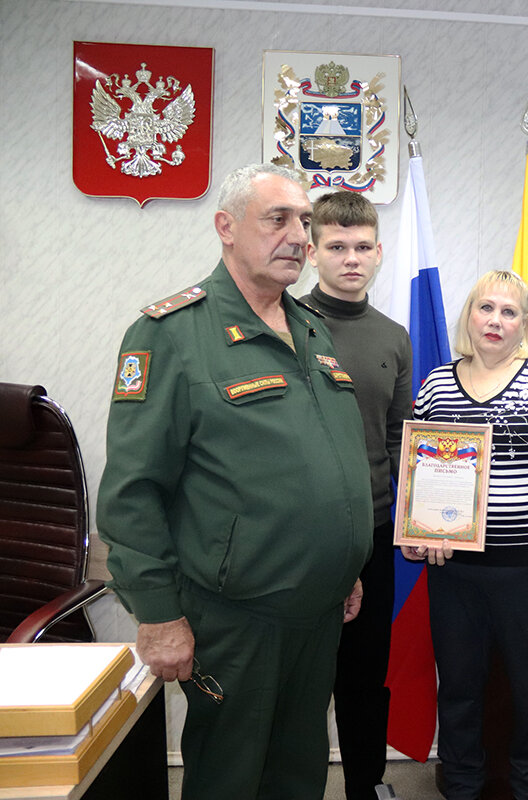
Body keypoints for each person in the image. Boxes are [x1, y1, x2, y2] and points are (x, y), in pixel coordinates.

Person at [96, 163, 374, 800]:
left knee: (299, 771)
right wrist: (159, 617)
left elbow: (324, 464)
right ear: (226, 227)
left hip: (318, 610)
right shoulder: (171, 334)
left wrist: (342, 560)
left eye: (305, 222)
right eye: (278, 219)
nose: (299, 237)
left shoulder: (310, 328)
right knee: (231, 775)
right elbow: (133, 491)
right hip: (237, 616)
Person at [402, 269, 528, 800]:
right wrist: (418, 532)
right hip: (455, 571)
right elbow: (419, 470)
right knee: (460, 687)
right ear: (469, 316)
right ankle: (462, 783)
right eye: (486, 308)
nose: (496, 321)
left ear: (525, 324)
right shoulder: (437, 383)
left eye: (510, 312)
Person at [299, 190, 413, 800]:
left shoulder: (393, 337)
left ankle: (366, 786)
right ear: (313, 251)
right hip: (304, 534)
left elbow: (400, 436)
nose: (351, 259)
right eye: (336, 247)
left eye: (363, 247)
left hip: (372, 531)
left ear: (378, 253)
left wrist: (420, 519)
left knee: (367, 673)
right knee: (305, 676)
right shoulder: (284, 326)